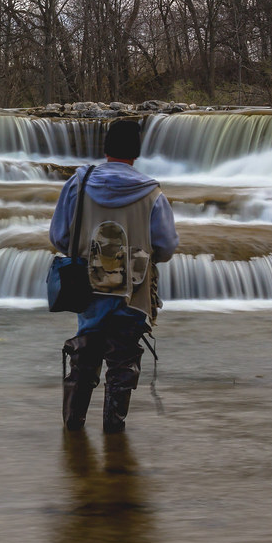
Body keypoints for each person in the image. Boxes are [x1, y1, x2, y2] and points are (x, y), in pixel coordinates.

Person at [49, 119, 179, 434]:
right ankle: (114, 433)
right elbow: (165, 247)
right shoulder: (152, 193)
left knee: (86, 350)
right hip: (132, 294)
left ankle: (74, 429)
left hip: (86, 289)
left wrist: (89, 254)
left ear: (105, 148)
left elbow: (58, 237)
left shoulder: (78, 183)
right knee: (123, 359)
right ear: (137, 152)